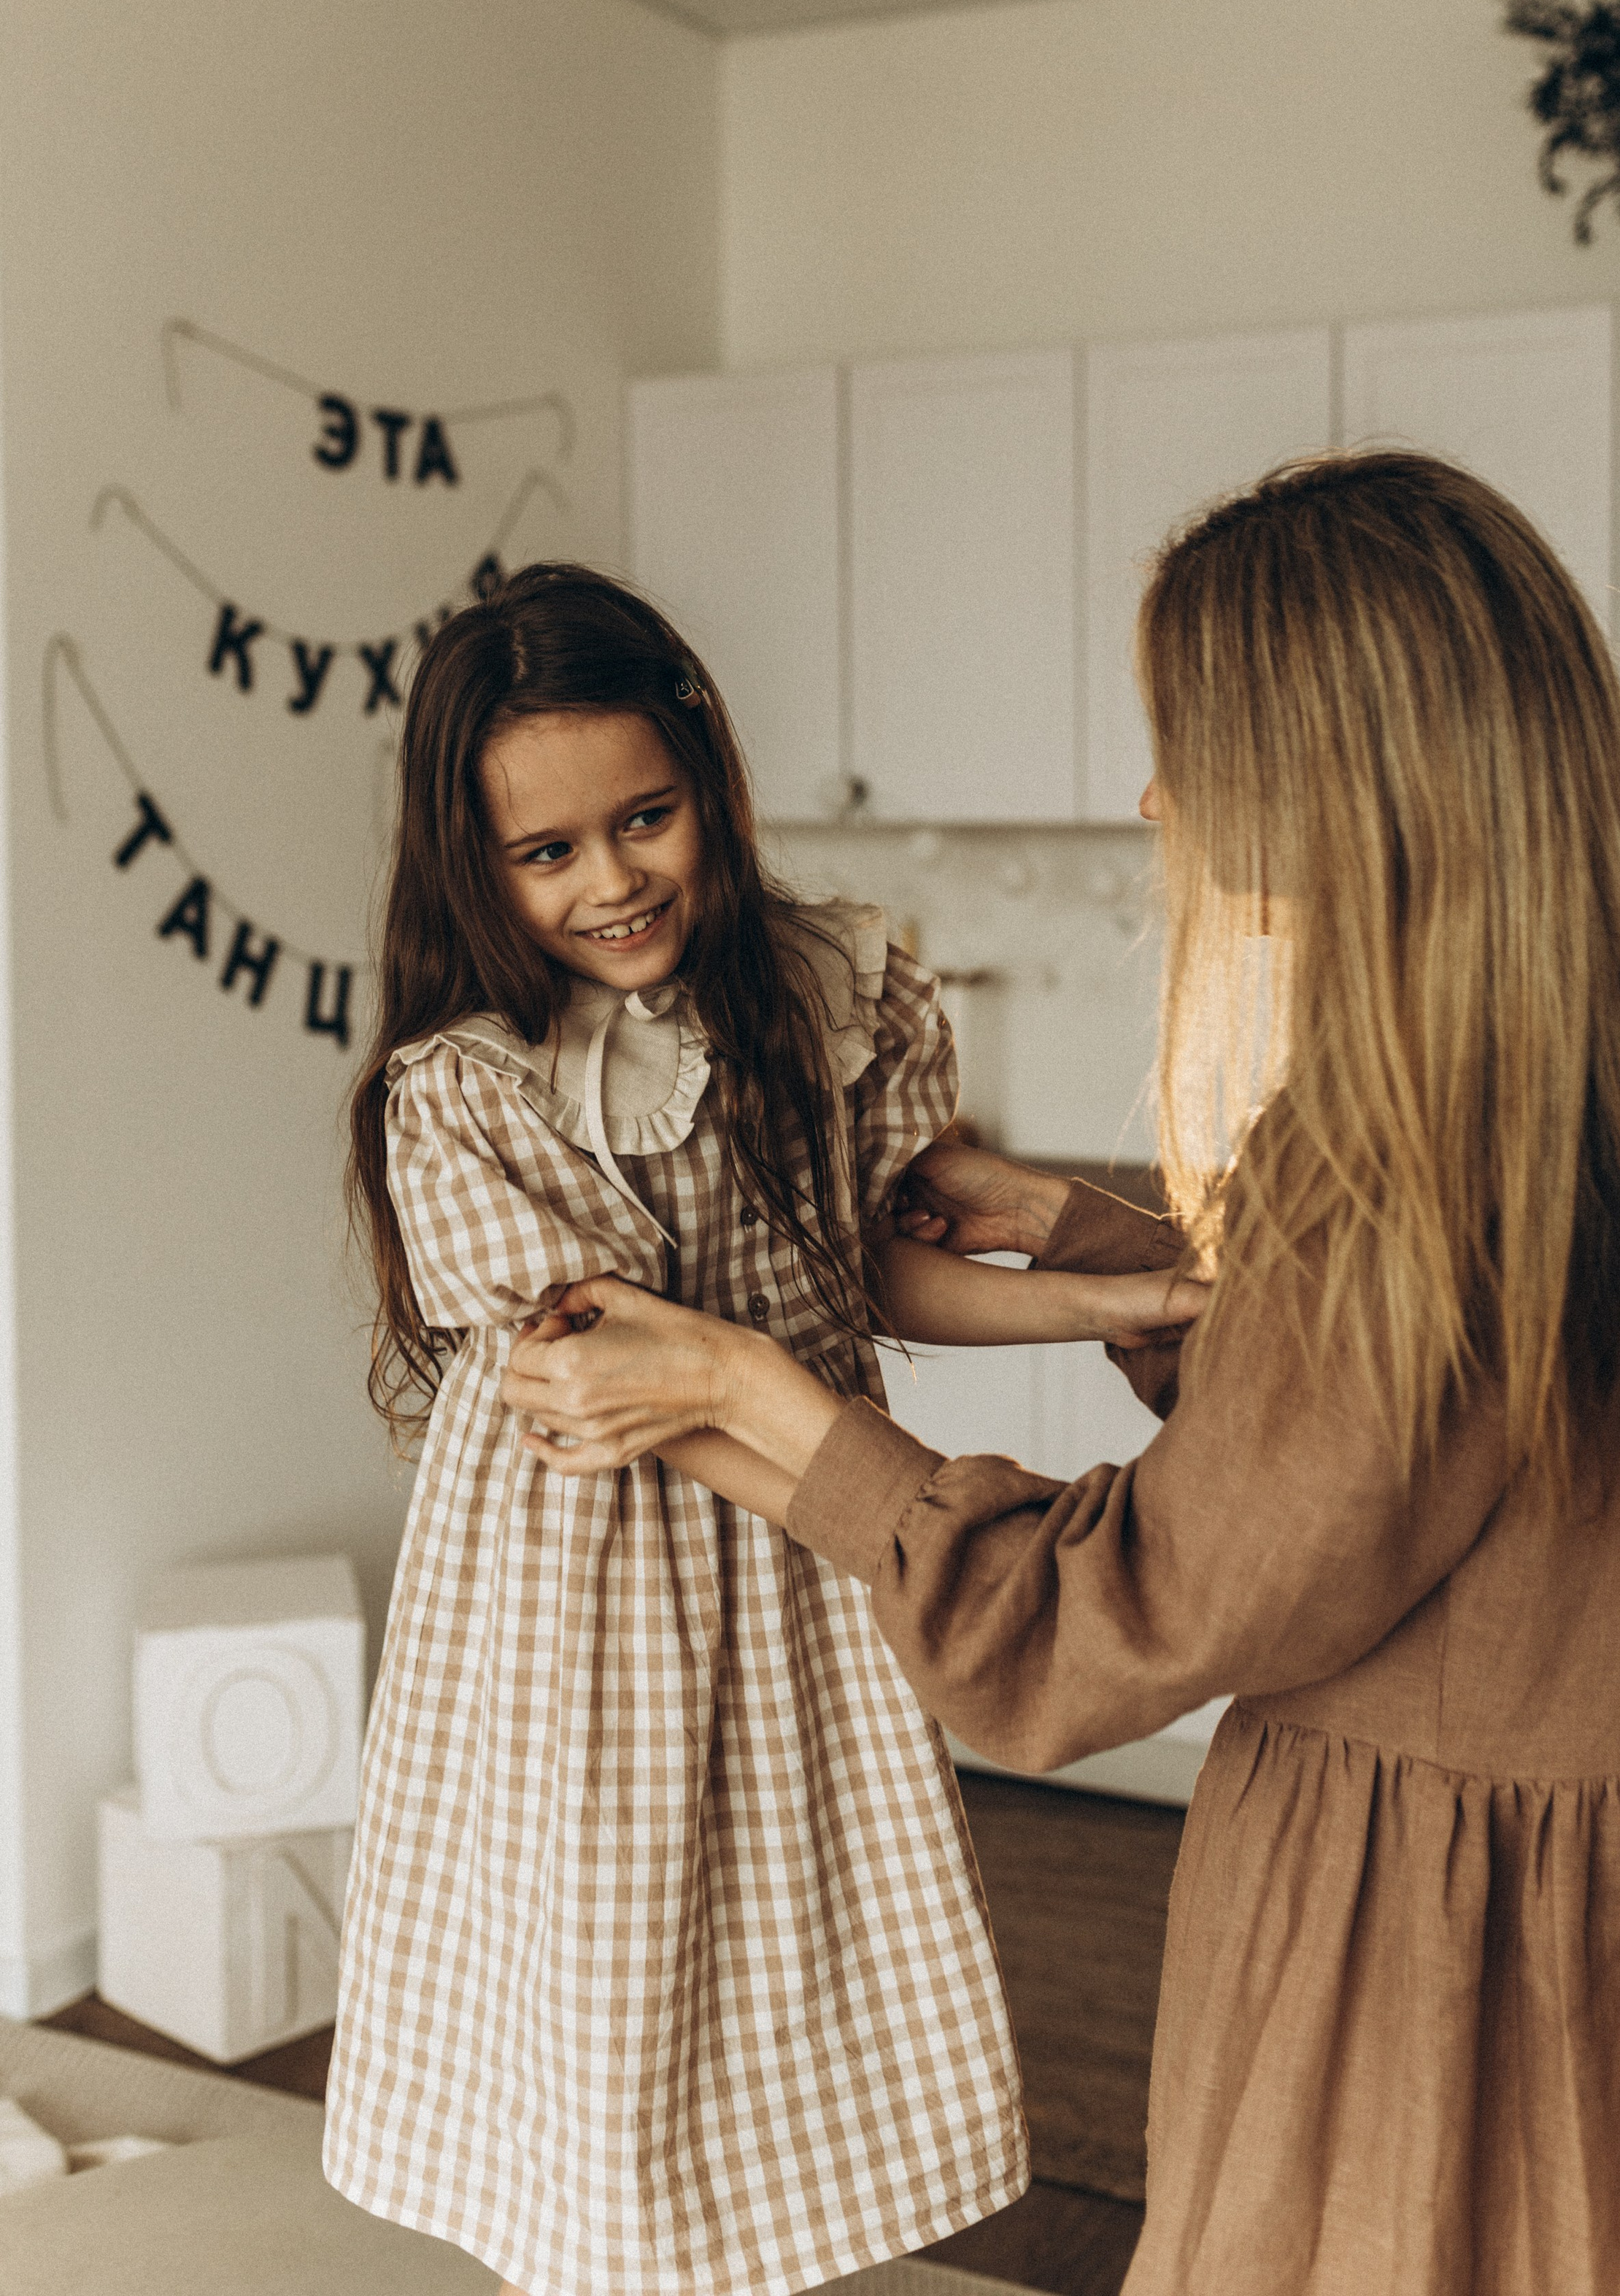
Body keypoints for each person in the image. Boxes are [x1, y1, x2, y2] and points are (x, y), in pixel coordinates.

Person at [503, 458, 1620, 2296]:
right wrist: (1081, 1232)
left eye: (1187, 741)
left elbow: (1098, 1631)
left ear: (1334, 773)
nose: (1154, 794)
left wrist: (744, 1401)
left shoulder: (1399, 1169)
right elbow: (1402, 1449)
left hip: (1437, 1988)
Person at [321, 563, 1198, 2296]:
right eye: (546, 852)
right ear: (476, 865)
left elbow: (869, 1272)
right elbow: (621, 1386)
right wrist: (826, 1460)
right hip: (594, 1584)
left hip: (809, 1530)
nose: (612, 879)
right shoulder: (471, 1090)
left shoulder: (818, 989)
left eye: (642, 818)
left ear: (705, 775)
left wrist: (1120, 1296)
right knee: (603, 1995)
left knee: (791, 1982)